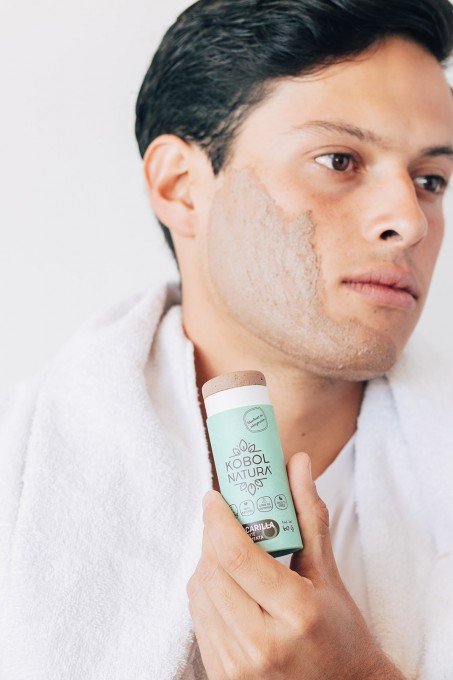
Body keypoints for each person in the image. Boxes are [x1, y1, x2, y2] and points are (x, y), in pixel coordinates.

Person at [1, 0, 453, 678]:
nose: (409, 222)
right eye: (339, 160)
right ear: (182, 187)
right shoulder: (18, 476)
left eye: (430, 180)